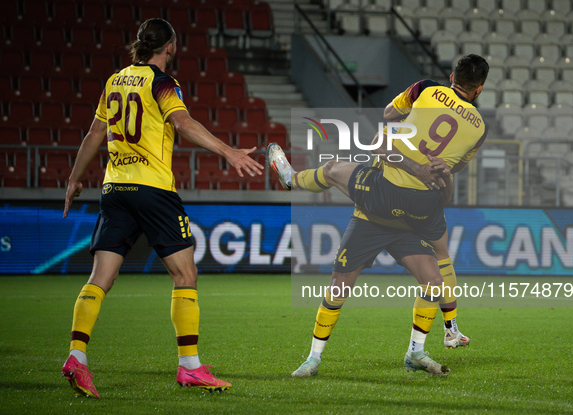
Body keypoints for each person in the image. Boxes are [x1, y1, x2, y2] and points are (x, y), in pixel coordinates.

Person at [61, 18, 263, 398]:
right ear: (169, 47)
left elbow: (94, 134)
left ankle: (77, 357)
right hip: (152, 189)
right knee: (185, 274)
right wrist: (229, 152)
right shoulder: (163, 83)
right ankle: (190, 366)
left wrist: (74, 179)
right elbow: (183, 123)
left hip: (114, 187)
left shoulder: (114, 81)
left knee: (100, 278)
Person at [267, 54, 489, 377]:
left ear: (452, 74)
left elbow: (387, 117)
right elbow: (451, 175)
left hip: (380, 197)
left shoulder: (425, 89)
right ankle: (438, 335)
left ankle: (315, 357)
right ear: (479, 90)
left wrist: (407, 127)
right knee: (435, 276)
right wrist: (432, 171)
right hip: (419, 210)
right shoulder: (479, 128)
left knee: (331, 171)